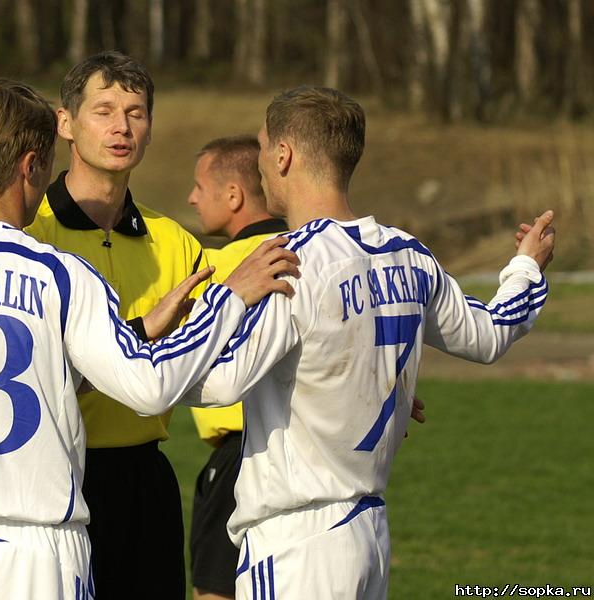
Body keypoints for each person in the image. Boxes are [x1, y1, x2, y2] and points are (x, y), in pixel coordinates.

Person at [0, 79, 300, 600]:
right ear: (30, 166)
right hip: (30, 553)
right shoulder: (59, 275)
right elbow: (149, 386)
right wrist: (229, 298)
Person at [185, 87, 555, 599]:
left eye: (265, 149)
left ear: (284, 156)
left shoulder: (288, 264)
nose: (261, 165)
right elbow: (490, 332)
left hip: (296, 542)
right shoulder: (409, 256)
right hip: (369, 533)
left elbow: (208, 378)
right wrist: (525, 266)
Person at [24, 51, 208, 599]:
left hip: (146, 482)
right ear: (65, 122)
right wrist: (142, 330)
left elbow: (238, 339)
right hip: (55, 481)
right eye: (104, 110)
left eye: (136, 112)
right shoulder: (32, 234)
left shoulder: (175, 241)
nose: (122, 127)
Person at [186, 135, 287, 600]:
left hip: (237, 455)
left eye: (200, 187)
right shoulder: (308, 252)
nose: (191, 198)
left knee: (216, 592)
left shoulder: (212, 267)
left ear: (233, 195)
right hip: (302, 449)